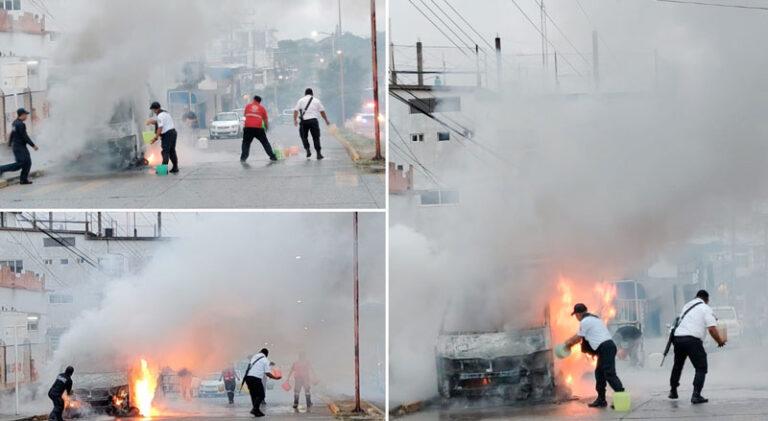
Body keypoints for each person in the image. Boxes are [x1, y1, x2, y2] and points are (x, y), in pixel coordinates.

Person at [669, 289, 726, 404]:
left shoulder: (687, 306)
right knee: (701, 367)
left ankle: (673, 390)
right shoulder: (706, 308)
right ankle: (696, 395)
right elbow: (712, 329)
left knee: (677, 365)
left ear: (696, 297)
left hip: (678, 338)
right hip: (692, 340)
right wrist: (719, 341)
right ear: (707, 299)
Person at [564, 303, 625, 408]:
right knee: (599, 373)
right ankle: (601, 400)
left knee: (609, 374)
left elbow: (578, 337)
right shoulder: (595, 319)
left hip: (605, 347)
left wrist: (568, 343)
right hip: (607, 347)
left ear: (578, 314)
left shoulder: (585, 321)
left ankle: (621, 399)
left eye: (575, 315)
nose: (576, 317)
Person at [0, 108, 39, 184]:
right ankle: (1, 169)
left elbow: (12, 133)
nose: (27, 117)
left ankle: (23, 179)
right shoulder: (21, 124)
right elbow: (25, 136)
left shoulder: (15, 123)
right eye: (26, 115)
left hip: (18, 146)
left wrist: (10, 143)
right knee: (20, 164)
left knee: (27, 162)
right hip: (20, 147)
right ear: (22, 114)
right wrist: (33, 145)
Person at [293, 88, 331, 160]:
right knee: (316, 137)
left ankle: (307, 150)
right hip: (313, 121)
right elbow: (322, 111)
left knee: (304, 137)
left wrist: (295, 120)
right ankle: (318, 154)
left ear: (305, 94)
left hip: (304, 122)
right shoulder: (316, 100)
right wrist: (326, 120)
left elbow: (295, 111)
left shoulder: (301, 100)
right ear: (312, 94)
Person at [244, 348, 281, 417]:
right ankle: (255, 409)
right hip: (255, 378)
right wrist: (275, 378)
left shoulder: (254, 357)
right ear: (266, 354)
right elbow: (267, 373)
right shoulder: (265, 360)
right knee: (261, 395)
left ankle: (256, 411)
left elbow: (258, 364)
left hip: (248, 378)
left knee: (254, 395)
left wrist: (269, 363)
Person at [242, 95, 277, 163]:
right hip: (258, 128)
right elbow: (265, 119)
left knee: (246, 143)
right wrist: (267, 128)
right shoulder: (262, 108)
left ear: (253, 100)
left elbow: (245, 115)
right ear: (260, 101)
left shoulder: (248, 106)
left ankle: (243, 158)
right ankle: (272, 156)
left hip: (248, 128)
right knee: (265, 143)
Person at [150, 102, 179, 173]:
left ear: (155, 109)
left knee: (165, 152)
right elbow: (160, 122)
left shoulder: (160, 116)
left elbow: (160, 127)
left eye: (153, 110)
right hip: (173, 132)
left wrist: (155, 138)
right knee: (172, 151)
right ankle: (175, 168)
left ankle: (163, 170)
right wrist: (152, 122)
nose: (153, 112)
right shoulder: (165, 113)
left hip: (167, 134)